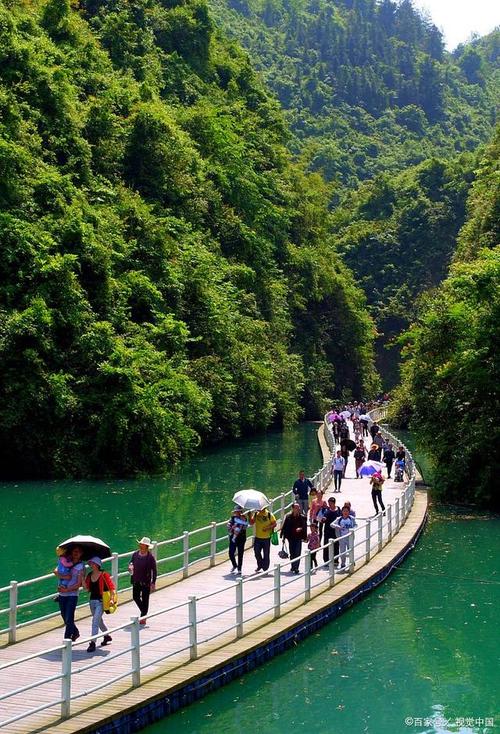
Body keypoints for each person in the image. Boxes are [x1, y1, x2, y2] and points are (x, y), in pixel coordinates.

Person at [84, 557, 115, 652]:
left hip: (101, 602)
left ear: (97, 564)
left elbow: (112, 588)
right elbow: (86, 589)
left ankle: (92, 643)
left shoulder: (104, 575)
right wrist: (81, 578)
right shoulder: (89, 575)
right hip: (92, 601)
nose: (91, 565)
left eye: (92, 563)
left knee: (95, 622)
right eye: (90, 563)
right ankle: (107, 636)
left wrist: (112, 599)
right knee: (99, 621)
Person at [55, 545, 85, 641]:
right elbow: (55, 571)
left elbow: (78, 584)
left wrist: (67, 590)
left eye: (78, 552)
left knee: (69, 617)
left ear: (81, 554)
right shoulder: (65, 561)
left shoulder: (81, 567)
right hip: (62, 594)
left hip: (72, 595)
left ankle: (66, 640)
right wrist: (62, 577)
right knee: (64, 616)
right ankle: (75, 632)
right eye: (74, 551)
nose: (76, 553)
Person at [129, 536, 157, 624]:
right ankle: (144, 613)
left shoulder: (150, 557)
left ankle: (143, 616)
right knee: (135, 597)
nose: (140, 545)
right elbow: (131, 562)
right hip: (136, 580)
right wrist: (130, 566)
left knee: (145, 599)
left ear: (146, 546)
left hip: (146, 582)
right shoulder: (135, 554)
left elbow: (154, 570)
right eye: (140, 544)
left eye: (142, 544)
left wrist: (153, 582)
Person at [280, 502, 307, 574]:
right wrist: (282, 536)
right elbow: (285, 526)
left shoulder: (302, 517)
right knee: (292, 553)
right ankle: (293, 566)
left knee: (297, 552)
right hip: (290, 538)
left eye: (298, 508)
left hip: (298, 538)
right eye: (296, 508)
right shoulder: (288, 517)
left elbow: (304, 527)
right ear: (292, 509)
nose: (298, 509)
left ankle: (296, 568)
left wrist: (301, 530)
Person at [249, 506, 276, 574]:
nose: (258, 509)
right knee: (256, 552)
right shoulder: (256, 514)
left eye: (259, 508)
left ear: (263, 508)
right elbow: (251, 523)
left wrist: (267, 528)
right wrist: (249, 516)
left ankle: (265, 568)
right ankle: (260, 565)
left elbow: (274, 524)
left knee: (266, 554)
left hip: (266, 538)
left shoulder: (269, 514)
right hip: (258, 537)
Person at [332, 506, 357, 572]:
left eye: (347, 511)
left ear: (349, 512)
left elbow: (356, 525)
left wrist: (352, 529)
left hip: (349, 538)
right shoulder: (339, 519)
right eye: (344, 511)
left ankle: (352, 562)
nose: (345, 512)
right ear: (342, 512)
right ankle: (343, 564)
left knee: (350, 550)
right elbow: (331, 524)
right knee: (342, 552)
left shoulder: (351, 519)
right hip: (342, 538)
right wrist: (338, 526)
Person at [227, 506, 249, 576]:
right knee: (231, 553)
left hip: (241, 538)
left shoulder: (244, 518)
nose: (237, 513)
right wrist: (232, 527)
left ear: (241, 512)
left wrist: (242, 523)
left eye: (238, 511)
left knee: (240, 554)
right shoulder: (232, 518)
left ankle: (239, 569)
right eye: (236, 511)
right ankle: (234, 565)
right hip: (233, 538)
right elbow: (228, 526)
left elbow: (245, 527)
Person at [321, 496, 341, 565]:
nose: (329, 504)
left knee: (336, 545)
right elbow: (323, 518)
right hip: (327, 531)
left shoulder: (338, 509)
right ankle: (326, 560)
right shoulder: (327, 511)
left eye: (331, 503)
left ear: (334, 503)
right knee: (326, 545)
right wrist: (323, 519)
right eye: (329, 503)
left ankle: (336, 560)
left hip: (336, 531)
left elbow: (341, 517)